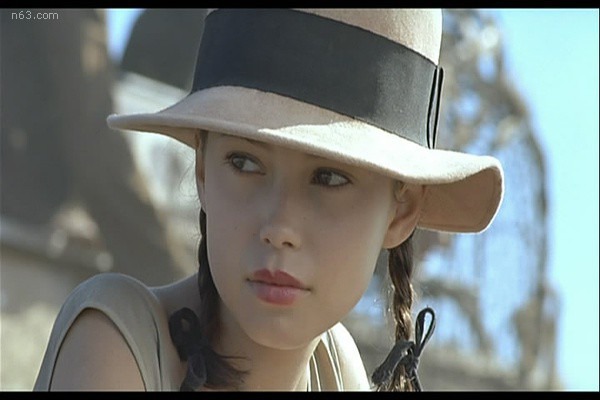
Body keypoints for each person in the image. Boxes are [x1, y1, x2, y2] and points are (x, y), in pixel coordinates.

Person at [34, 9, 504, 391]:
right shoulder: (117, 345)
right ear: (202, 170)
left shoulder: (335, 370)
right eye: (244, 163)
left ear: (401, 212)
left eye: (329, 177)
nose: (279, 226)